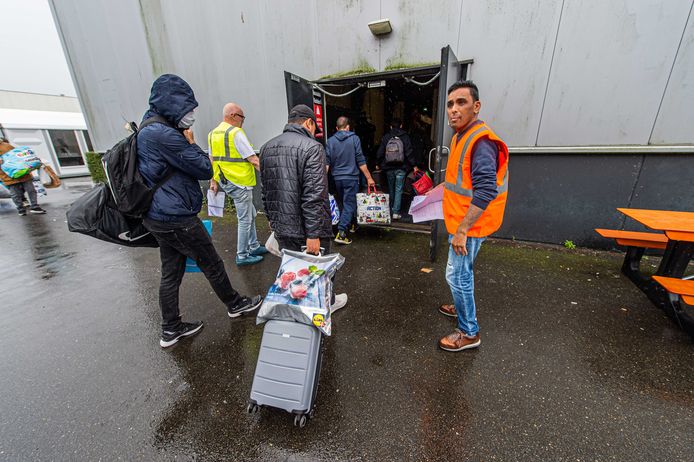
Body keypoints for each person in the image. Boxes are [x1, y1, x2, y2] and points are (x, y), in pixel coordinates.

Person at [137, 74, 262, 348]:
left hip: (159, 214)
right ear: (173, 105)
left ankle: (171, 329)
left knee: (171, 271)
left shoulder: (149, 129)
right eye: (188, 110)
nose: (192, 115)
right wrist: (189, 142)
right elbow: (204, 167)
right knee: (212, 262)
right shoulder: (164, 134)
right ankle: (235, 304)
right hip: (175, 217)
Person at [438, 80, 509, 352]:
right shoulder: (462, 136)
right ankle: (459, 306)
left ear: (476, 106)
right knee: (460, 272)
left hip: (469, 226)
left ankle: (469, 332)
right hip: (463, 220)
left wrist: (462, 230)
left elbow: (485, 190)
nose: (453, 110)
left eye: (461, 103)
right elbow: (463, 180)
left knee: (457, 276)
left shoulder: (481, 142)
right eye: (450, 104)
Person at [259, 104, 347, 312]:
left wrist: (272, 220)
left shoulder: (266, 148)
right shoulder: (312, 148)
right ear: (308, 122)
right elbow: (314, 195)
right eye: (315, 128)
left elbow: (266, 190)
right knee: (320, 269)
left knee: (292, 269)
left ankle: (298, 306)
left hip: (282, 227)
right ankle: (326, 304)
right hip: (308, 229)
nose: (315, 133)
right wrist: (314, 234)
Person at [208, 103, 267, 265]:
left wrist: (213, 180)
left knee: (251, 214)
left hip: (227, 181)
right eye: (242, 117)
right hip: (240, 182)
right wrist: (272, 176)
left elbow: (212, 159)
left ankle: (254, 246)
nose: (243, 121)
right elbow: (254, 160)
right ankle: (242, 255)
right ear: (233, 116)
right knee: (245, 219)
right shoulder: (236, 133)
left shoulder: (213, 134)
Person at [326, 116, 375, 245]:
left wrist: (321, 180)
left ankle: (352, 224)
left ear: (337, 128)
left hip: (337, 179)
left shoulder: (330, 141)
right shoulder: (354, 139)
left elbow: (326, 163)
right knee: (349, 204)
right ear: (348, 127)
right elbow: (360, 160)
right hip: (351, 178)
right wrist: (369, 178)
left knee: (344, 202)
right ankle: (341, 233)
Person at [375, 118, 418, 220]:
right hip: (401, 167)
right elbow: (409, 152)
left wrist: (377, 162)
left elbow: (381, 151)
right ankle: (396, 212)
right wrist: (414, 165)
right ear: (401, 126)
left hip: (389, 167)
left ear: (390, 126)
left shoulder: (386, 137)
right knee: (399, 189)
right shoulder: (405, 137)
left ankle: (390, 210)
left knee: (391, 188)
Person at [0, 138, 46, 216]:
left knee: (30, 190)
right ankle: (21, 209)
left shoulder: (6, 146)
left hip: (21, 172)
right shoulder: (6, 145)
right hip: (8, 175)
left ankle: (34, 207)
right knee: (15, 194)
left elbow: (18, 156)